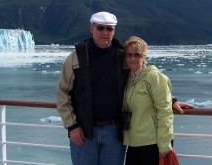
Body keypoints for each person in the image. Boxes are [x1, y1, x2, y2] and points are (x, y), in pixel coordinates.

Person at [56, 11, 192, 165]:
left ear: (114, 31)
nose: (105, 32)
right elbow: (63, 94)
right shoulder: (76, 58)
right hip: (84, 131)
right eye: (100, 28)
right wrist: (72, 126)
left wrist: (171, 99)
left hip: (114, 132)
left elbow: (143, 77)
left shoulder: (123, 56)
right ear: (91, 29)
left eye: (109, 29)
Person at [122, 36, 175, 165]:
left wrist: (164, 144)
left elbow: (165, 111)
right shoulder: (128, 78)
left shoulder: (154, 77)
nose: (132, 58)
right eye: (129, 55)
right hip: (133, 142)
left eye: (137, 55)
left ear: (144, 56)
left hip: (152, 143)